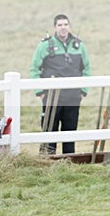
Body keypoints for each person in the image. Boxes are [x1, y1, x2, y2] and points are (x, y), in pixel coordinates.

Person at [30, 14, 91, 154]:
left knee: (70, 131)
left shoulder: (79, 45)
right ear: (55, 28)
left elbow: (87, 68)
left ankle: (68, 162)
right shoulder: (45, 45)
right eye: (60, 25)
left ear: (69, 26)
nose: (63, 28)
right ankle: (46, 161)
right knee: (49, 130)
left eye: (65, 24)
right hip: (51, 96)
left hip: (73, 97)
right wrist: (40, 91)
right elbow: (34, 69)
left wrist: (83, 90)